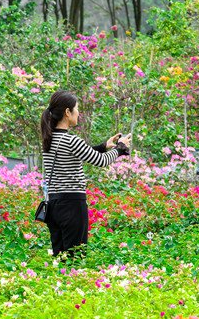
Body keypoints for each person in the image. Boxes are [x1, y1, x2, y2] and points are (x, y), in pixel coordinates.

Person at [40, 90, 131, 258]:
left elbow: (79, 154)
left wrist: (104, 146)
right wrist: (120, 148)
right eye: (76, 109)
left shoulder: (49, 140)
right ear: (68, 112)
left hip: (54, 204)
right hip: (72, 205)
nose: (78, 112)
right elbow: (101, 161)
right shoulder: (71, 140)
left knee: (60, 257)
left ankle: (59, 283)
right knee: (75, 257)